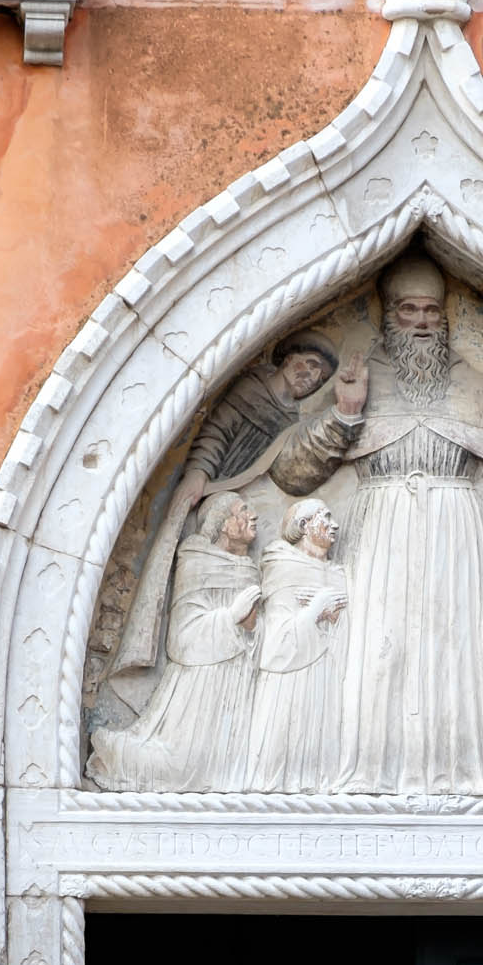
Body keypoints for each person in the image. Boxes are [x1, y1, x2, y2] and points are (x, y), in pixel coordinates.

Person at [252, 252, 483, 793]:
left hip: (460, 527)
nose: (423, 322)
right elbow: (291, 473)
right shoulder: (360, 378)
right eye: (409, 311)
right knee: (381, 646)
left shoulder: (474, 386)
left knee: (456, 644)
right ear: (388, 317)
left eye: (432, 311)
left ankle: (465, 771)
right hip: (382, 528)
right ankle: (373, 772)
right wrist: (345, 414)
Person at [109, 328, 355, 701]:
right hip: (213, 495)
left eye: (318, 374)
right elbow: (216, 433)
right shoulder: (250, 389)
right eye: (305, 364)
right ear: (287, 360)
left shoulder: (292, 415)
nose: (309, 376)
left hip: (242, 494)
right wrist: (199, 475)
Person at [86, 493, 261, 791]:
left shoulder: (250, 569)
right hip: (200, 687)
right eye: (244, 510)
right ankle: (115, 756)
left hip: (240, 681)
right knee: (183, 766)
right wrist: (230, 616)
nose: (253, 516)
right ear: (224, 524)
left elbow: (256, 630)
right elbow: (182, 637)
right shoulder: (197, 562)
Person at [247, 499, 349, 793]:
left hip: (327, 678)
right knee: (278, 755)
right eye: (325, 517)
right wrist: (315, 610)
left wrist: (333, 616)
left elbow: (347, 634)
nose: (335, 525)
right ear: (304, 526)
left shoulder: (339, 572)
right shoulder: (282, 566)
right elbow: (276, 639)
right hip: (288, 681)